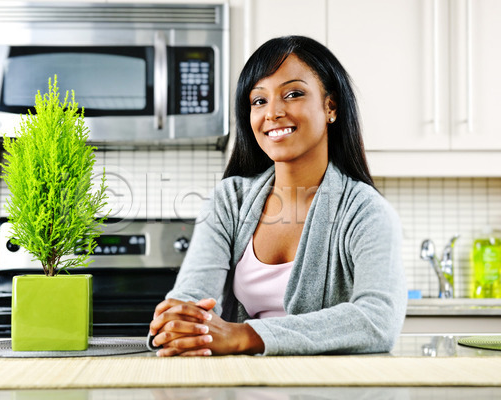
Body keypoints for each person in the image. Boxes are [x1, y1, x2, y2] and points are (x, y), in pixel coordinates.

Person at [147, 36, 407, 356]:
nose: (273, 112)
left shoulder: (367, 212)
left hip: (333, 381)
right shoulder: (229, 201)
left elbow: (378, 319)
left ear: (331, 107)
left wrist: (246, 335)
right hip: (241, 381)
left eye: (293, 94)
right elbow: (191, 299)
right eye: (259, 100)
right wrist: (177, 324)